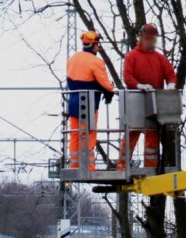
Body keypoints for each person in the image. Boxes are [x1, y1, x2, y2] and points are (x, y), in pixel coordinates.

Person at [119, 23, 177, 170]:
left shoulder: (160, 58)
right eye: (149, 39)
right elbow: (127, 76)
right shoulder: (132, 56)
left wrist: (171, 85)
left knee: (152, 137)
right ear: (142, 38)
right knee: (131, 134)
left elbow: (170, 74)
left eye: (153, 39)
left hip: (154, 103)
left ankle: (150, 168)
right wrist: (139, 85)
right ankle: (122, 167)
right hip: (135, 102)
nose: (151, 42)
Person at [66, 31, 115, 171]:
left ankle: (74, 165)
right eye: (98, 45)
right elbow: (105, 84)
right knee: (89, 133)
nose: (98, 48)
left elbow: (70, 81)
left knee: (75, 133)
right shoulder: (96, 61)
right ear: (93, 45)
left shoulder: (73, 59)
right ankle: (89, 166)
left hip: (73, 102)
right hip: (89, 103)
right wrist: (110, 91)